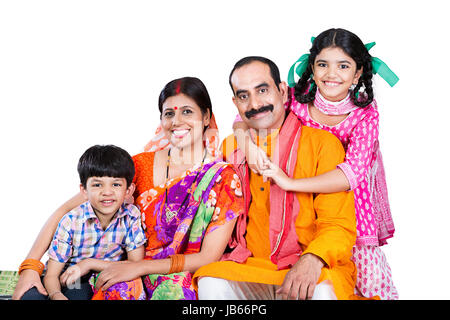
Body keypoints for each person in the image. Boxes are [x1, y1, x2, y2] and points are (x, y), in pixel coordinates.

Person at [13, 77, 243, 300]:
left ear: (206, 117)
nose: (177, 121)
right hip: (120, 270)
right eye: (169, 113)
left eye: (187, 112)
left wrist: (141, 268)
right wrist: (30, 267)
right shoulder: (139, 164)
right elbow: (66, 210)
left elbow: (208, 256)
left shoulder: (222, 177)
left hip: (177, 274)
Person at [231, 29, 398, 299]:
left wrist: (290, 182)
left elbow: (352, 173)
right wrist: (248, 146)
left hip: (349, 194)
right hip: (308, 193)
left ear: (357, 74)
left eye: (343, 66)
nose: (332, 74)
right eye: (323, 64)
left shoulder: (365, 112)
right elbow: (247, 116)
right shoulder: (298, 97)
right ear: (312, 67)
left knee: (365, 277)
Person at [193, 56, 358, 300]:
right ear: (235, 102)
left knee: (322, 292)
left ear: (281, 90)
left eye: (262, 90)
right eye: (243, 95)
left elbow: (337, 224)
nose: (255, 103)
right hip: (247, 266)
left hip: (307, 267)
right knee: (210, 283)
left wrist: (313, 260)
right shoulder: (230, 148)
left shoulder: (322, 144)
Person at [21, 144, 146, 300]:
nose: (107, 192)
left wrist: (90, 263)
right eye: (97, 185)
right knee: (34, 297)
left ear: (128, 190)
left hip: (96, 276)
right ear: (84, 191)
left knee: (83, 293)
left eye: (116, 184)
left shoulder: (131, 216)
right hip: (65, 274)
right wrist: (55, 294)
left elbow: (135, 264)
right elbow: (52, 275)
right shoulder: (71, 221)